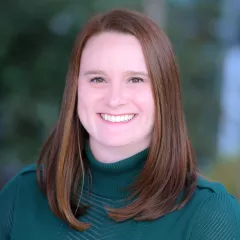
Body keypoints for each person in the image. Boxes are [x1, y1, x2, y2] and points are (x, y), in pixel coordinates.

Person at [0, 8, 239, 240]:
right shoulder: (21, 195)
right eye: (98, 79)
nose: (114, 100)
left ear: (164, 94)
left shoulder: (210, 215)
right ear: (75, 90)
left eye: (135, 79)